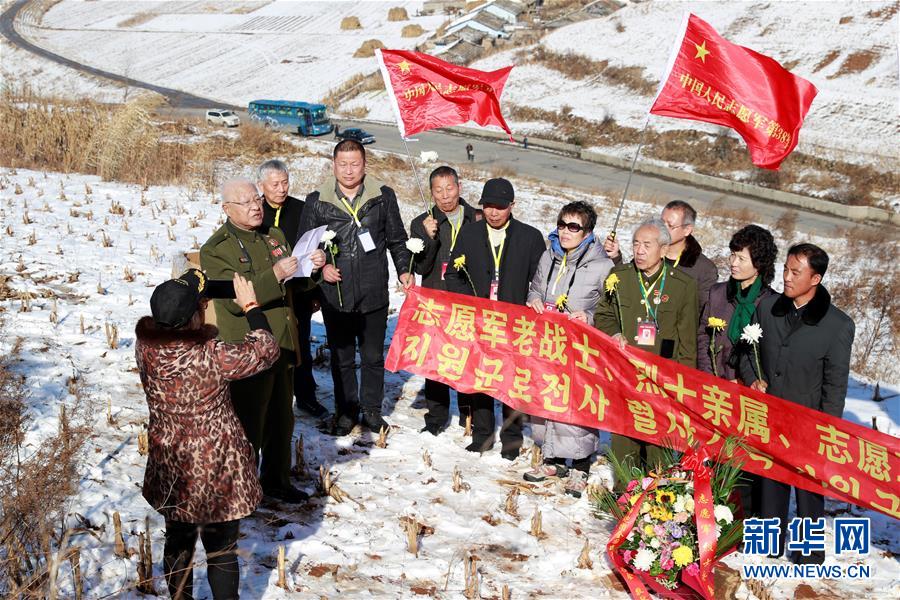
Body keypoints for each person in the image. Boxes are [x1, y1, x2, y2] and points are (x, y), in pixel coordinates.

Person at [136, 270, 277, 599]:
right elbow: (267, 350)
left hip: (171, 463)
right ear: (194, 317)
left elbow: (177, 313)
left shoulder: (145, 347)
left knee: (178, 540)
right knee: (221, 550)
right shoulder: (213, 356)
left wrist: (190, 289)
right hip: (216, 467)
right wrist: (251, 306)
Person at [201, 178, 325, 504]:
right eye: (246, 202)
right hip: (249, 350)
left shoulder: (274, 235)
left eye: (257, 199)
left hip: (282, 343)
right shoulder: (216, 249)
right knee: (248, 425)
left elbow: (293, 286)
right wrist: (276, 275)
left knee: (282, 421)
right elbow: (231, 300)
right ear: (227, 209)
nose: (256, 206)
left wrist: (311, 269)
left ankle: (277, 481)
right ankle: (239, 490)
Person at [741, 243, 854, 565]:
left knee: (807, 489)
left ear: (815, 278)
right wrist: (754, 378)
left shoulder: (837, 326)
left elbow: (835, 384)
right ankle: (768, 544)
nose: (787, 278)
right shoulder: (769, 308)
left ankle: (808, 553)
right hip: (770, 414)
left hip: (809, 422)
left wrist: (828, 427)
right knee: (771, 481)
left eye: (796, 272)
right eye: (786, 270)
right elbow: (749, 352)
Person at [297, 139, 413, 435]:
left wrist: (403, 270)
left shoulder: (383, 197)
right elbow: (304, 250)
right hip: (336, 295)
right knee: (342, 357)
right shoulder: (317, 201)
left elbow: (397, 239)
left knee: (373, 356)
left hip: (374, 291)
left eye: (355, 164)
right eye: (343, 164)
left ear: (365, 165)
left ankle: (372, 410)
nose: (349, 171)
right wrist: (322, 270)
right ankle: (346, 411)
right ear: (333, 165)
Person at [445, 177, 545, 459]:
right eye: (488, 206)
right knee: (481, 378)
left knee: (513, 383)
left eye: (500, 207)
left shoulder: (530, 237)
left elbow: (540, 281)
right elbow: (453, 274)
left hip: (516, 325)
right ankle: (482, 435)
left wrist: (530, 303)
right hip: (480, 322)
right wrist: (471, 302)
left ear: (511, 206)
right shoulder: (469, 234)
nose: (493, 212)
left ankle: (512, 440)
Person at [594, 218, 698, 487]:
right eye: (636, 244)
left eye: (647, 245)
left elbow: (687, 341)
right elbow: (603, 314)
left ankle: (657, 508)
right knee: (624, 442)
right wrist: (614, 332)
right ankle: (623, 498)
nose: (639, 251)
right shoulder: (621, 277)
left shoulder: (683, 286)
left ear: (663, 250)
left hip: (661, 382)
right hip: (626, 377)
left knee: (659, 446)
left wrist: (681, 386)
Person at [524, 201, 613, 497]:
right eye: (562, 224)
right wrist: (534, 299)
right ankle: (551, 458)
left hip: (581, 345)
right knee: (547, 396)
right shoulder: (548, 256)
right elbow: (536, 287)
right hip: (548, 341)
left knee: (576, 403)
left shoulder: (603, 265)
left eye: (573, 226)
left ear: (587, 232)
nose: (565, 232)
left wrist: (588, 318)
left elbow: (611, 309)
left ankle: (580, 465)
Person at [697, 224, 777, 518]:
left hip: (747, 393)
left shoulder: (770, 303)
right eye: (732, 255)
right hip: (715, 386)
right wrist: (708, 375)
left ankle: (741, 516)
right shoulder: (718, 293)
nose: (733, 263)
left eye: (741, 258)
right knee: (712, 452)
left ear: (759, 264)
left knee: (741, 458)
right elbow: (703, 335)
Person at [409, 166, 478, 435]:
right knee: (435, 358)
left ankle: (468, 413)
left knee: (467, 358)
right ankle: (436, 417)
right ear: (431, 193)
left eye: (450, 188)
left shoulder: (477, 218)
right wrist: (429, 237)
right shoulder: (421, 222)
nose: (445, 196)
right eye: (438, 190)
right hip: (435, 300)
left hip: (468, 301)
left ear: (459, 187)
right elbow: (421, 268)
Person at [257, 159, 328, 418]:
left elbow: (315, 250)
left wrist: (315, 293)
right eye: (274, 184)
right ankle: (268, 397)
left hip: (299, 291)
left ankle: (306, 396)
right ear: (261, 186)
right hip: (266, 292)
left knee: (301, 346)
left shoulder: (301, 210)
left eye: (285, 182)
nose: (281, 189)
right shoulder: (254, 211)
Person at [604, 200, 718, 313]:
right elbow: (627, 284)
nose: (662, 228)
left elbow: (702, 313)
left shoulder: (704, 269)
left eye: (670, 225)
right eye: (661, 222)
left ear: (687, 230)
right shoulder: (649, 251)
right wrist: (616, 257)